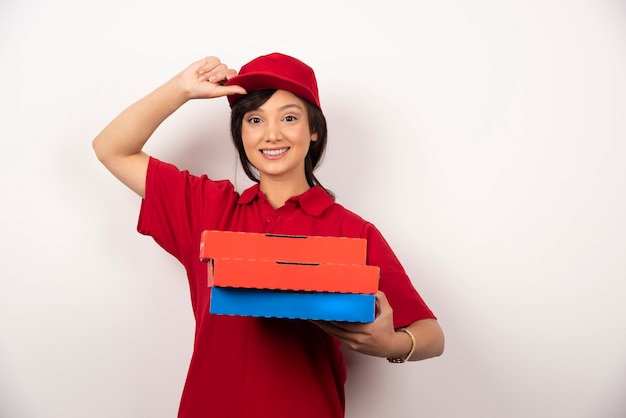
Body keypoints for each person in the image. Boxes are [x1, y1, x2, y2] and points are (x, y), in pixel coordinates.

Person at [92, 52, 444, 418]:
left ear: (314, 130)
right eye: (254, 119)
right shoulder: (206, 209)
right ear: (240, 133)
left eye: (289, 117)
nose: (271, 133)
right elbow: (111, 149)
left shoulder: (351, 231)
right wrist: (180, 89)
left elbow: (432, 335)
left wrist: (393, 343)